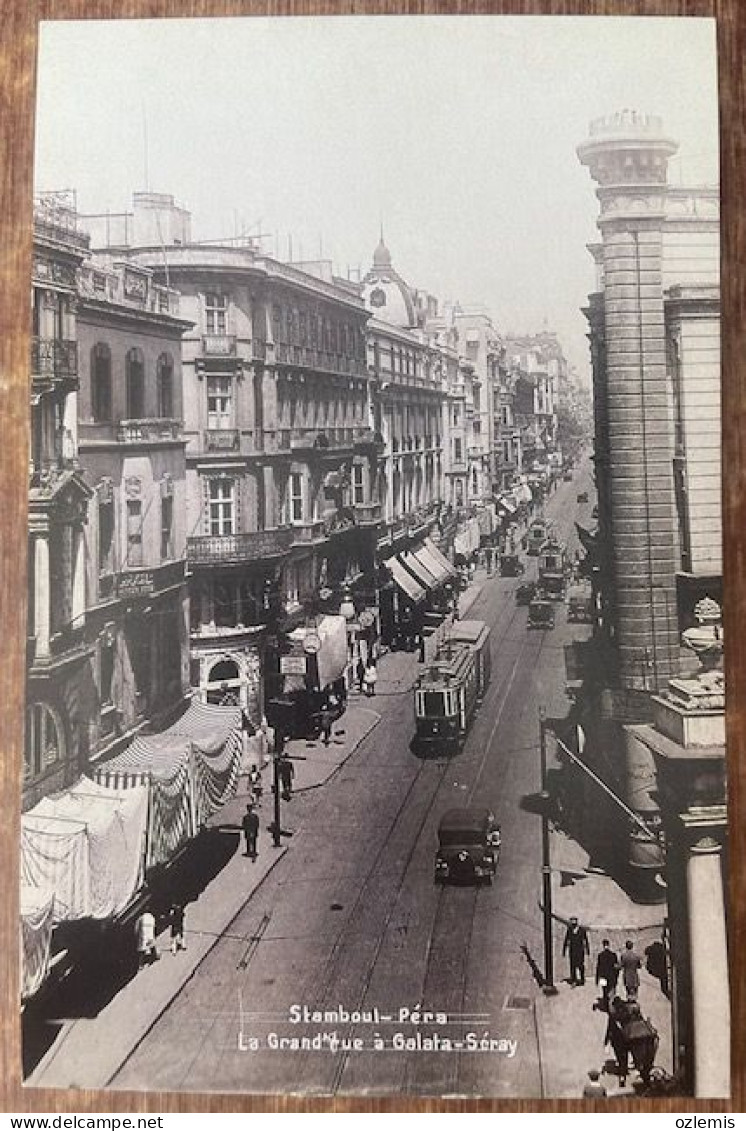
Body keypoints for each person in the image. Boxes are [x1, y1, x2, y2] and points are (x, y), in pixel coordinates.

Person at [605, 996, 630, 1087]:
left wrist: (606, 1042)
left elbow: (609, 1030)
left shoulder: (612, 1017)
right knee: (625, 1057)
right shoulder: (626, 1014)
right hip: (626, 1040)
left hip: (616, 1042)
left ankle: (622, 1074)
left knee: (620, 1057)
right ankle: (624, 1071)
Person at [562, 916, 590, 986]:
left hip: (580, 951)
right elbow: (566, 940)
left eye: (574, 922)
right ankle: (574, 980)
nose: (573, 923)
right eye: (572, 922)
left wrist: (587, 950)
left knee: (581, 965)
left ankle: (582, 979)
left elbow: (585, 940)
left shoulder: (582, 930)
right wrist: (564, 950)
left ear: (577, 922)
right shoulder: (569, 930)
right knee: (572, 966)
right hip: (572, 951)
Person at [595, 939, 620, 1011]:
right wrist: (616, 977)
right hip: (612, 977)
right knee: (611, 992)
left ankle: (606, 1006)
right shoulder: (613, 955)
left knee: (604, 991)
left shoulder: (600, 955)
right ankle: (611, 1007)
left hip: (603, 977)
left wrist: (597, 979)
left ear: (603, 945)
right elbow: (616, 967)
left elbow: (598, 968)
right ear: (609, 945)